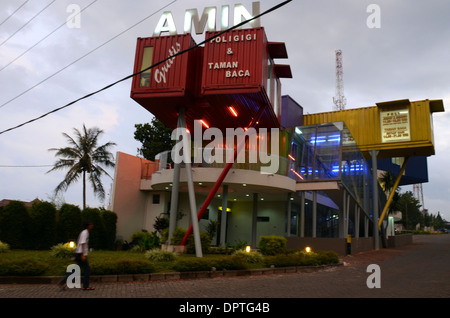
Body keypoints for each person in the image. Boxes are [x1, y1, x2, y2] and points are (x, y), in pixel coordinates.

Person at [59, 221, 95, 291]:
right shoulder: (85, 233)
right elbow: (82, 243)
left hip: (79, 253)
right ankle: (85, 286)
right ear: (88, 226)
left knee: (77, 269)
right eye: (91, 224)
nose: (92, 226)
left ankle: (63, 282)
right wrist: (83, 255)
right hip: (80, 253)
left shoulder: (85, 232)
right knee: (87, 269)